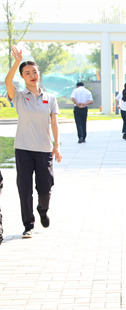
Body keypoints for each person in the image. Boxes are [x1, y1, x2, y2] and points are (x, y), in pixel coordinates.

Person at [4, 45, 62, 238]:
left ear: (39, 74)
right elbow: (7, 81)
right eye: (27, 72)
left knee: (45, 186)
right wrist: (16, 62)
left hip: (44, 149)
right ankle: (28, 225)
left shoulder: (50, 98)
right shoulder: (19, 97)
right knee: (24, 189)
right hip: (23, 149)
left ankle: (43, 209)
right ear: (22, 76)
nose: (32, 75)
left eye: (35, 71)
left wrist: (56, 145)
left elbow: (54, 124)